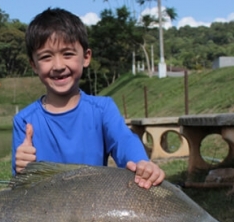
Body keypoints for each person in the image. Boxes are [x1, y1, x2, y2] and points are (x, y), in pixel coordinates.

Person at [11, 8, 164, 189]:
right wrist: (21, 166)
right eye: (46, 57)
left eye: (68, 54)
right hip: (48, 213)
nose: (58, 66)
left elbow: (124, 140)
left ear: (86, 57)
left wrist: (141, 163)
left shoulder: (103, 109)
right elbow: (20, 184)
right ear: (33, 65)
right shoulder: (24, 120)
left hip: (94, 210)